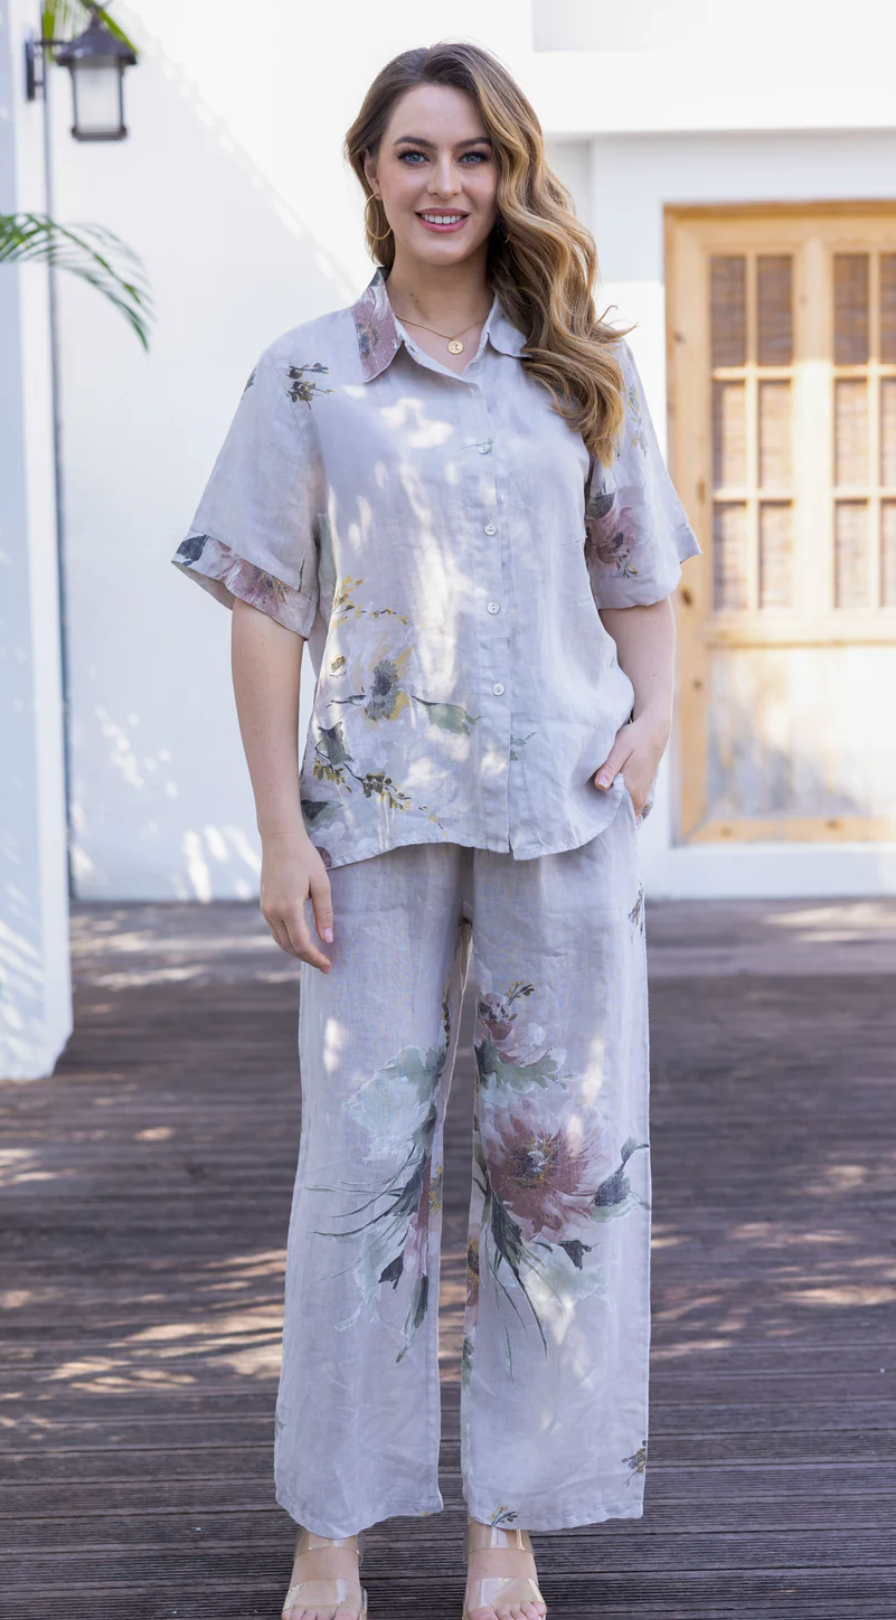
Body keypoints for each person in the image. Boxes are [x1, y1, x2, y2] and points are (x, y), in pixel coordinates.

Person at [171, 38, 699, 1620]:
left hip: (563, 818)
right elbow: (262, 607)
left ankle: (508, 1524)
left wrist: (654, 722)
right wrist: (279, 831)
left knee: (557, 1178)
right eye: (416, 153)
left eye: (475, 155)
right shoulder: (307, 378)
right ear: (371, 173)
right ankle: (330, 1528)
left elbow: (640, 574)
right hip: (373, 824)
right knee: (360, 1174)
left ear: (509, 174)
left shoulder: (580, 369)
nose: (447, 183)